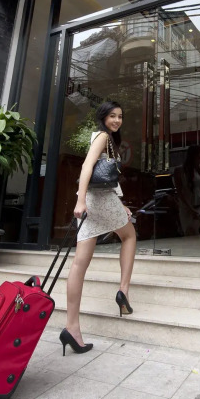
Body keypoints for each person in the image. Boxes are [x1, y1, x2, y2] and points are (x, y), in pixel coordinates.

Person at [60, 100, 136, 355]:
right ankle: (123, 290)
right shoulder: (102, 136)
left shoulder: (107, 140)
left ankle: (72, 327)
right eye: (112, 116)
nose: (117, 120)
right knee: (129, 237)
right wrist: (80, 200)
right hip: (97, 201)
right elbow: (87, 167)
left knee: (79, 264)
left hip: (96, 202)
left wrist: (119, 204)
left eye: (120, 116)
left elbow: (106, 179)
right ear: (103, 117)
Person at [175, 145, 200, 236]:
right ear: (194, 155)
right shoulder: (179, 171)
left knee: (192, 230)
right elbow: (179, 192)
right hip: (186, 207)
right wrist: (190, 209)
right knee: (188, 232)